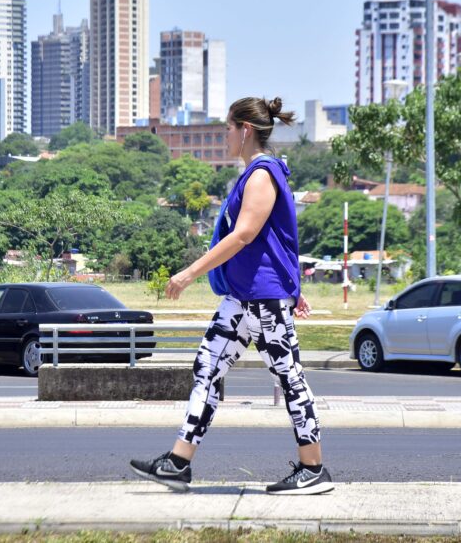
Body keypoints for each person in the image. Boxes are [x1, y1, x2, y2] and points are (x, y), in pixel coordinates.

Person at [129, 96, 333, 495]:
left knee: (289, 378)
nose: (224, 135)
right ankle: (178, 462)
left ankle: (313, 469)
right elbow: (281, 242)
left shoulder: (262, 175)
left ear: (246, 130)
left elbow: (245, 236)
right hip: (244, 299)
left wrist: (189, 273)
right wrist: (296, 286)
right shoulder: (253, 175)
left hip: (263, 299)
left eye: (227, 128)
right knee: (207, 368)